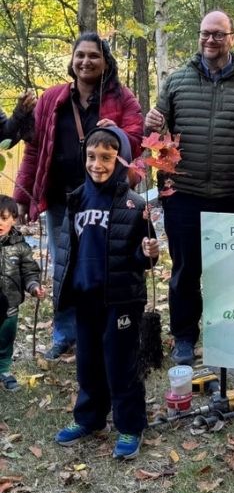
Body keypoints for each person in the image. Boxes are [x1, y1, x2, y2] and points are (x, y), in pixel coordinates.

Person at [145, 10, 234, 366]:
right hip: (185, 197)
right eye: (205, 34)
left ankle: (231, 335)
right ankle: (185, 337)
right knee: (186, 270)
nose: (210, 41)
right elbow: (157, 139)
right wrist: (152, 128)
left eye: (219, 34)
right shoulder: (177, 82)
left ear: (232, 37)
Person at [15, 32, 144, 361]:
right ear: (72, 61)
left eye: (94, 56)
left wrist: (113, 131)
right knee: (64, 264)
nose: (86, 61)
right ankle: (65, 333)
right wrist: (22, 193)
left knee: (104, 262)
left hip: (105, 198)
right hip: (62, 198)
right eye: (80, 55)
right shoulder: (53, 99)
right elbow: (35, 149)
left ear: (105, 61)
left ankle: (104, 330)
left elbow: (137, 141)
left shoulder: (121, 98)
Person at [52, 126, 159, 460]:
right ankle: (90, 418)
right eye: (92, 157)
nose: (97, 164)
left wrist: (149, 252)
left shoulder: (133, 204)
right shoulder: (77, 199)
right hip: (86, 296)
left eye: (107, 158)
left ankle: (129, 424)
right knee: (88, 362)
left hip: (121, 300)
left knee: (120, 362)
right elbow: (69, 250)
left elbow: (142, 259)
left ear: (120, 160)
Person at [0, 195, 46, 390]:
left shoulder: (20, 246)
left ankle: (4, 369)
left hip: (9, 305)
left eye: (4, 218)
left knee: (5, 339)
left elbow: (29, 271)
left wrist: (34, 286)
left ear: (14, 219)